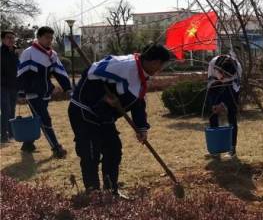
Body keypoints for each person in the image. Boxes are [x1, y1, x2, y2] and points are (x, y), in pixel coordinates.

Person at [68, 44, 172, 194]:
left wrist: (141, 128)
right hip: (84, 110)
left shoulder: (142, 75)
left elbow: (138, 102)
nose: (160, 69)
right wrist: (103, 96)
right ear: (154, 61)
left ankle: (111, 191)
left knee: (113, 150)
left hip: (104, 116)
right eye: (161, 64)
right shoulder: (123, 65)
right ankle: (94, 193)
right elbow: (91, 72)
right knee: (90, 153)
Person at [17, 26, 71, 157]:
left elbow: (59, 72)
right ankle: (56, 148)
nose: (50, 40)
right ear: (39, 37)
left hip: (46, 92)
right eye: (47, 37)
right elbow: (21, 73)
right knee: (45, 119)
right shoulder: (29, 53)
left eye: (51, 38)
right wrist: (21, 92)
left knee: (38, 119)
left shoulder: (52, 54)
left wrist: (68, 88)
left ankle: (27, 144)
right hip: (32, 93)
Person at [206, 52, 242, 157]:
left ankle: (232, 148)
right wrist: (214, 104)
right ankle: (215, 149)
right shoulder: (213, 64)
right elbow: (210, 84)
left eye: (227, 75)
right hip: (215, 85)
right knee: (212, 115)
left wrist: (224, 104)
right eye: (223, 74)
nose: (224, 77)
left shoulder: (238, 68)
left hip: (231, 87)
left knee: (232, 115)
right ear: (219, 69)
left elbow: (236, 89)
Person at [1, 30, 19, 143]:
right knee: (6, 110)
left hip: (13, 86)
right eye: (8, 37)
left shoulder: (15, 52)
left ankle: (12, 134)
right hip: (2, 86)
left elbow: (18, 67)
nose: (11, 40)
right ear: (3, 39)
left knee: (12, 110)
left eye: (13, 38)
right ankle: (3, 135)